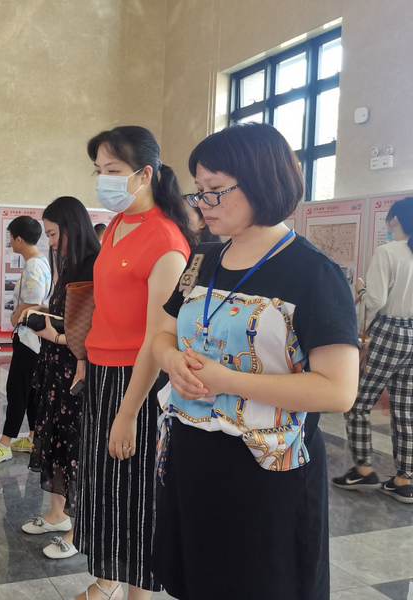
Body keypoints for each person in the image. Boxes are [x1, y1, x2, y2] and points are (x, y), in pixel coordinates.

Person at [151, 122, 359, 600]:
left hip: (265, 472)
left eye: (215, 190)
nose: (203, 203)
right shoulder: (202, 259)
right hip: (192, 456)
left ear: (263, 182)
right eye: (198, 191)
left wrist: (228, 380)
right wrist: (172, 360)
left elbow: (337, 389)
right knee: (198, 579)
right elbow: (163, 334)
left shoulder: (312, 272)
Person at [74, 126, 194, 600]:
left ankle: (133, 593)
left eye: (113, 170)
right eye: (98, 170)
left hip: (139, 381)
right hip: (103, 373)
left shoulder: (166, 241)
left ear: (145, 174)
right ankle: (108, 580)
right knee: (106, 485)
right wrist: (86, 359)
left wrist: (127, 413)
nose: (103, 179)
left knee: (136, 493)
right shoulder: (117, 226)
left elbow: (156, 338)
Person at [20, 196, 99, 560]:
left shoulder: (96, 265)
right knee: (54, 441)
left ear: (72, 228)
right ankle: (57, 514)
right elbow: (68, 316)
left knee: (75, 447)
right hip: (57, 366)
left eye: (53, 234)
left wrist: (56, 335)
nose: (50, 242)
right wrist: (42, 314)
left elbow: (96, 328)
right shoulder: (69, 264)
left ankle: (78, 526)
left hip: (78, 367)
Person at [334, 196, 413, 503]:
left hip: (388, 333)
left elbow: (376, 301)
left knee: (357, 402)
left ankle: (364, 470)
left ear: (395, 220)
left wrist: (361, 290)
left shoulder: (387, 251)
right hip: (412, 334)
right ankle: (404, 479)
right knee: (405, 409)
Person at [0, 216, 51, 465]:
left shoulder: (33, 265)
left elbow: (35, 299)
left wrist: (16, 315)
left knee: (17, 389)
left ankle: (4, 444)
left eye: (11, 237)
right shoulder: (41, 261)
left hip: (29, 339)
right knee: (30, 390)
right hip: (34, 339)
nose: (10, 242)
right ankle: (33, 437)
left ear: (19, 239)